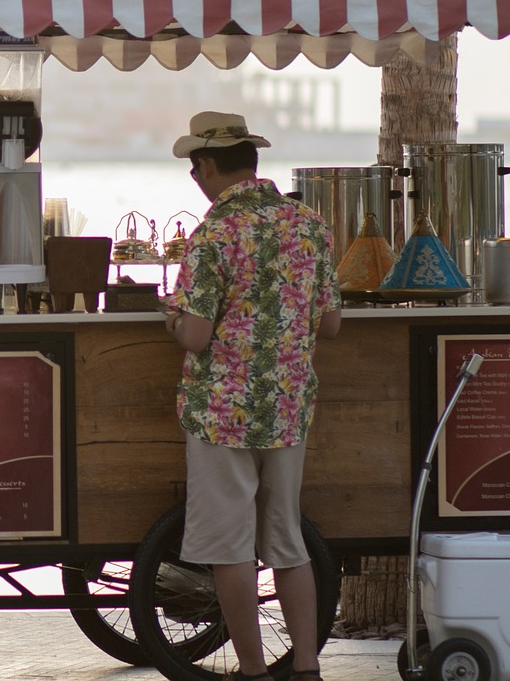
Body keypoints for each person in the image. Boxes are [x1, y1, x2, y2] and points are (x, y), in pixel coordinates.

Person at [164, 111, 341, 681]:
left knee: (229, 544)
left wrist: (171, 321)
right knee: (287, 539)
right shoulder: (310, 224)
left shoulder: (213, 234)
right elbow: (331, 323)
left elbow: (195, 335)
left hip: (222, 413)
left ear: (208, 166)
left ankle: (253, 670)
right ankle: (308, 667)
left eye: (195, 169)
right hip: (287, 409)